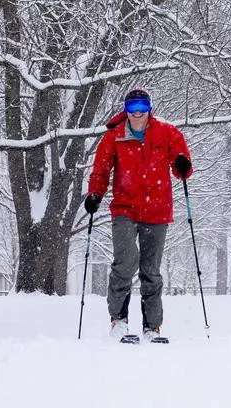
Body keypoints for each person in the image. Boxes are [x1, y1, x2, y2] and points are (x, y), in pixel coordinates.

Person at [84, 88, 193, 341]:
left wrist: (182, 165)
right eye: (132, 108)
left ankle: (151, 327)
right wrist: (95, 195)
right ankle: (118, 321)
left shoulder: (167, 132)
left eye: (143, 107)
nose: (138, 113)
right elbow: (100, 171)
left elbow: (181, 163)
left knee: (151, 270)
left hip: (157, 210)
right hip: (125, 208)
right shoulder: (115, 136)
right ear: (126, 110)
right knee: (125, 262)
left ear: (150, 108)